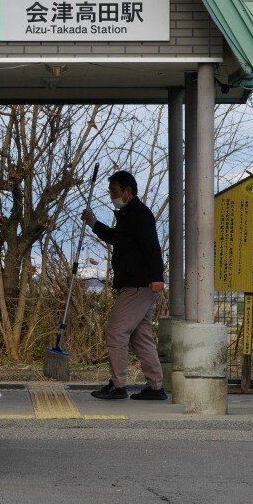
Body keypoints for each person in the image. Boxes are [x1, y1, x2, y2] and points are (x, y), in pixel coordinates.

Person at [80, 170, 168, 401]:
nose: (112, 196)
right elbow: (115, 238)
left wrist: (157, 276)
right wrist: (93, 222)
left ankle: (118, 385)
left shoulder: (139, 214)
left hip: (138, 285)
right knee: (140, 336)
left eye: (115, 191)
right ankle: (156, 387)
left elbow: (152, 246)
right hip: (140, 284)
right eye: (111, 192)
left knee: (116, 331)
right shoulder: (129, 215)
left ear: (128, 191)